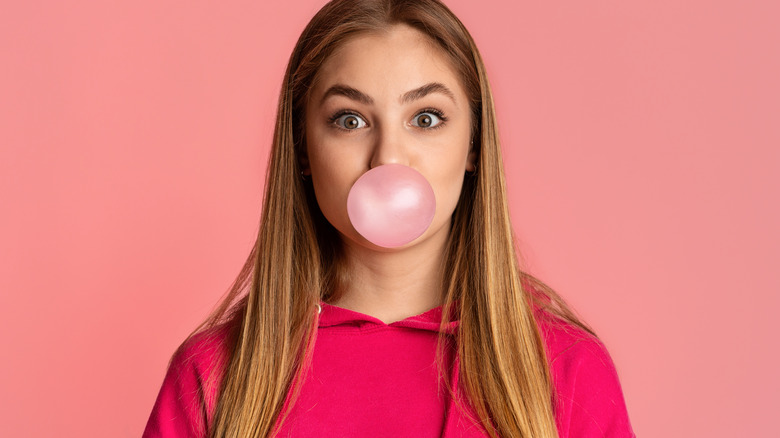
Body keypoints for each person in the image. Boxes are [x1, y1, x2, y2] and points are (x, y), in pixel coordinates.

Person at [143, 0, 635, 437]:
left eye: (426, 118)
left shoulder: (565, 370)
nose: (388, 157)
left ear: (473, 144)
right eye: (350, 120)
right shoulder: (215, 374)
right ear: (304, 149)